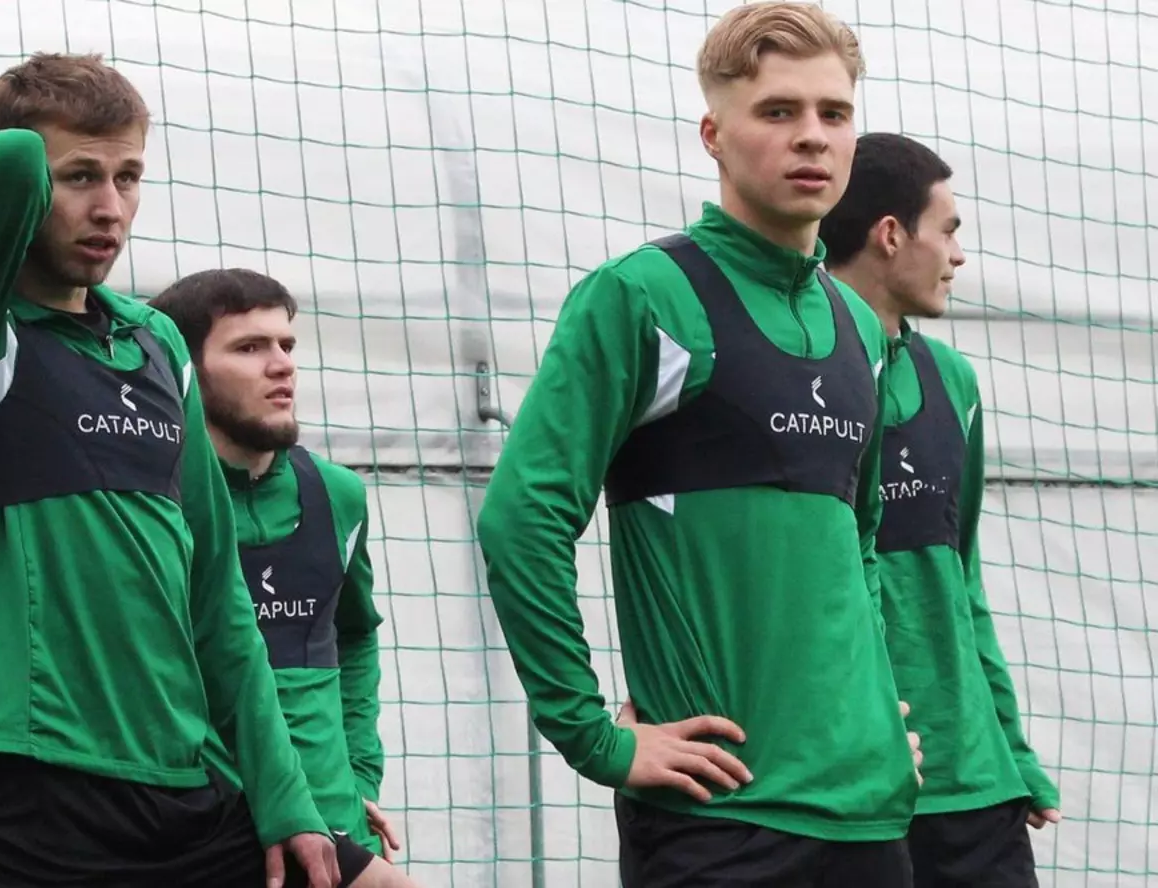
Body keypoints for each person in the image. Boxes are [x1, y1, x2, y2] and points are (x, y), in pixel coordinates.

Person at [0, 52, 343, 888]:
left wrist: (286, 797)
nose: (111, 207)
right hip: (21, 789)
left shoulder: (155, 343)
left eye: (129, 176)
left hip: (183, 786)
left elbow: (217, 595)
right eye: (79, 176)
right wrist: (24, 151)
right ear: (27, 188)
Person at [476, 3, 925, 885]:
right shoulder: (642, 295)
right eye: (778, 111)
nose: (812, 135)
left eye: (834, 113)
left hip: (870, 819)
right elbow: (521, 520)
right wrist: (593, 737)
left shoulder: (858, 328)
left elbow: (862, 547)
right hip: (721, 820)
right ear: (713, 135)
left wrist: (878, 718)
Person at [819, 131, 1063, 887]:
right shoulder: (786, 372)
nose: (958, 256)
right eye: (949, 230)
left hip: (975, 787)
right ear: (891, 235)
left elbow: (963, 579)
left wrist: (1012, 749)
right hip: (847, 789)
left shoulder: (953, 380)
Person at [149, 268, 421, 888]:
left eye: (287, 344)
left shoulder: (338, 494)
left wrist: (358, 775)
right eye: (249, 347)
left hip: (336, 831)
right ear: (187, 371)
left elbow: (354, 635)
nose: (282, 366)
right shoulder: (152, 505)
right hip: (210, 836)